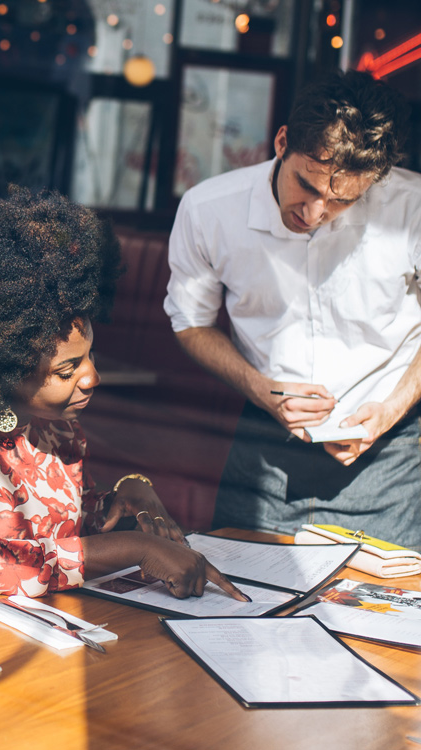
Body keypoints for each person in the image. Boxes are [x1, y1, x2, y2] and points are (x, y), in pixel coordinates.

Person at [0, 187, 247, 621]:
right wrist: (132, 548)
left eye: (91, 356)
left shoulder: (52, 425)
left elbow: (60, 529)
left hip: (30, 632)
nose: (92, 378)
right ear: (0, 368)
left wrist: (121, 498)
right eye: (68, 370)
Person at [164, 70, 421, 548]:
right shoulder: (208, 209)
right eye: (307, 184)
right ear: (282, 141)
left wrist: (387, 412)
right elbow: (191, 322)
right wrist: (261, 389)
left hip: (388, 459)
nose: (315, 212)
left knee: (381, 617)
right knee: (237, 608)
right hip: (263, 454)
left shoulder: (413, 209)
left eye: (343, 201)